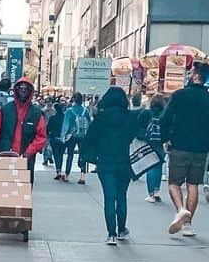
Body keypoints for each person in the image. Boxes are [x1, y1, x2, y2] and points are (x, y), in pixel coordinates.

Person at [160, 61, 209, 237]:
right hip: (201, 148)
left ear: (196, 76)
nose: (189, 74)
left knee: (173, 183)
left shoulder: (179, 95)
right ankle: (188, 225)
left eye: (191, 72)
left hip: (179, 146)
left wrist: (165, 138)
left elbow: (165, 119)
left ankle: (181, 210)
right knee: (193, 185)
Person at [80, 86, 136, 244]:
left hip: (105, 162)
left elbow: (90, 139)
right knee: (121, 196)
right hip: (125, 162)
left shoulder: (101, 118)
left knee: (109, 197)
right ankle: (122, 229)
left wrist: (89, 157)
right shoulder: (130, 117)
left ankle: (111, 233)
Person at [0, 77, 47, 183]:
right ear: (16, 90)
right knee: (4, 189)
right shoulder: (5, 110)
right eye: (21, 88)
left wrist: (29, 152)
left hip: (26, 159)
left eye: (26, 89)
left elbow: (41, 136)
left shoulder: (36, 113)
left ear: (30, 91)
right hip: (4, 156)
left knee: (24, 190)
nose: (23, 91)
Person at [140, 94, 167, 202]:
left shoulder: (147, 113)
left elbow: (140, 126)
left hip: (150, 142)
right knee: (159, 166)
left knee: (150, 167)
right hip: (161, 143)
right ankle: (157, 190)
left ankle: (150, 193)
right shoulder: (164, 114)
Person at [62, 92, 91, 184]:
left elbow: (66, 124)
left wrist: (63, 136)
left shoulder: (69, 111)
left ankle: (66, 175)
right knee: (82, 155)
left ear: (73, 99)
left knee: (70, 155)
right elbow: (89, 123)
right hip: (83, 136)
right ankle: (82, 176)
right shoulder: (85, 111)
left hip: (72, 136)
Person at [47, 98, 68, 179]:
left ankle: (58, 171)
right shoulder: (65, 118)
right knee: (61, 155)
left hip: (54, 138)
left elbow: (48, 128)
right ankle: (60, 169)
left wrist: (49, 135)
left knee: (56, 155)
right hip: (63, 138)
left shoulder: (52, 118)